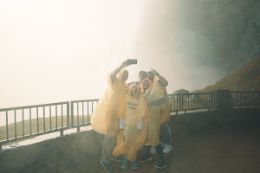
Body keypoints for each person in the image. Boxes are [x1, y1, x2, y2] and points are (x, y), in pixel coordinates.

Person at [91, 59, 136, 173]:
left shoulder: (125, 85)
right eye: (124, 73)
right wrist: (122, 65)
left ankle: (111, 156)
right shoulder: (114, 80)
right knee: (110, 135)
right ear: (120, 74)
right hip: (111, 112)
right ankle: (104, 160)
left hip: (119, 114)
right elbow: (111, 74)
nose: (125, 75)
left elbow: (131, 90)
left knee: (117, 135)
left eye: (127, 74)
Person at [139, 70, 170, 169]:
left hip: (153, 119)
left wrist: (158, 74)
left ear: (150, 83)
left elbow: (165, 85)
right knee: (147, 138)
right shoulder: (142, 94)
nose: (145, 83)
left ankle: (162, 160)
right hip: (146, 120)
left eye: (147, 81)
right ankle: (147, 155)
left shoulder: (154, 90)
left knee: (154, 139)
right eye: (143, 82)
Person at [112, 84, 148, 170]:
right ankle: (127, 160)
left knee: (134, 143)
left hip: (135, 126)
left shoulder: (140, 99)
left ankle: (132, 160)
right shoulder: (125, 98)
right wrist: (122, 125)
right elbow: (122, 111)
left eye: (136, 89)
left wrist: (139, 126)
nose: (135, 90)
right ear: (130, 89)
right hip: (127, 126)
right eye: (133, 88)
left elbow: (142, 113)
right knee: (127, 143)